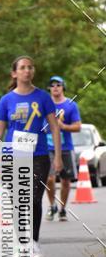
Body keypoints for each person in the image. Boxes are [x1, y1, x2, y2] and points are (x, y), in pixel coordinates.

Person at [0, 55, 62, 257]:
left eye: (30, 67)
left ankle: (34, 243)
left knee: (34, 199)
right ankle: (22, 244)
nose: (27, 70)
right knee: (17, 201)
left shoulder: (43, 97)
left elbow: (54, 127)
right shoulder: (6, 100)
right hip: (13, 154)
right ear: (15, 73)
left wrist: (57, 156)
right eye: (22, 67)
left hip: (38, 154)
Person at [44, 76, 81, 221]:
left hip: (66, 148)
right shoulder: (44, 104)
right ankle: (52, 206)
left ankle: (62, 209)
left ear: (63, 87)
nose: (55, 87)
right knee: (49, 179)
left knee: (66, 181)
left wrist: (64, 126)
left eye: (58, 84)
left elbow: (78, 126)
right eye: (52, 85)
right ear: (49, 88)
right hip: (48, 147)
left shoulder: (71, 105)